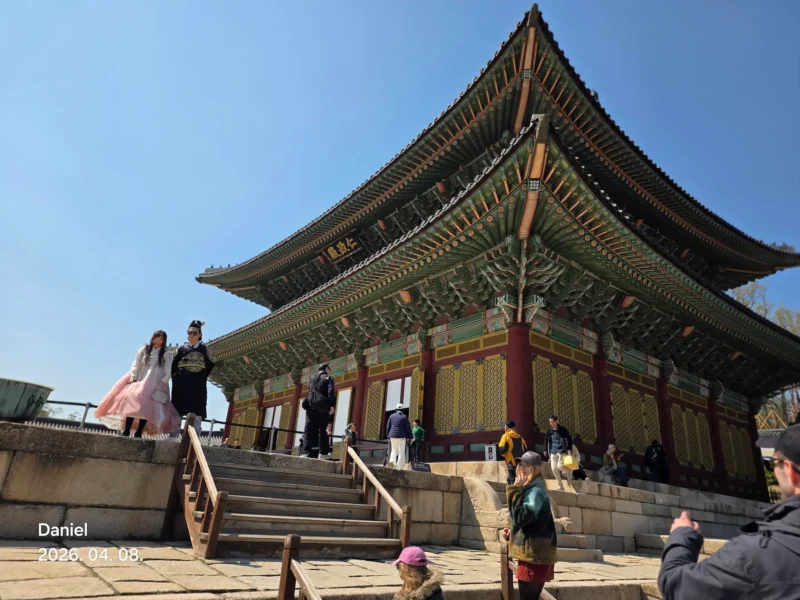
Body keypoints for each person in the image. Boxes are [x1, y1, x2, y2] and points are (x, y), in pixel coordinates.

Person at [658, 424, 800, 600]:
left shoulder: (753, 556)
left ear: (790, 470)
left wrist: (682, 536)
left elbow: (676, 585)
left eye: (771, 464)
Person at [95, 330, 181, 437]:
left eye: (161, 339)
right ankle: (126, 429)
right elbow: (136, 363)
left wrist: (165, 380)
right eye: (156, 337)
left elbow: (168, 369)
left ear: (164, 341)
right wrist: (133, 375)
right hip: (140, 378)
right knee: (132, 403)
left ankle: (139, 431)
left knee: (147, 408)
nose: (158, 340)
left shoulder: (166, 354)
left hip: (155, 381)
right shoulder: (144, 350)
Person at [501, 451, 557, 600]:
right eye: (520, 464)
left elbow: (520, 518)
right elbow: (525, 521)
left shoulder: (535, 492)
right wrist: (513, 531)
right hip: (535, 553)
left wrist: (514, 490)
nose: (522, 468)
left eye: (527, 465)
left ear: (535, 469)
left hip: (534, 556)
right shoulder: (532, 489)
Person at [171, 320, 215, 436]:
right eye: (189, 333)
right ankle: (173, 436)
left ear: (200, 334)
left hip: (197, 386)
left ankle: (193, 439)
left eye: (194, 333)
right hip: (181, 385)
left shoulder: (205, 349)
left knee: (197, 411)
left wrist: (201, 377)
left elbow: (211, 364)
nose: (191, 335)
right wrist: (176, 378)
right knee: (177, 411)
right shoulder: (180, 349)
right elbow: (173, 365)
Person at [300, 365, 335, 458]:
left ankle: (305, 452)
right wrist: (331, 405)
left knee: (308, 428)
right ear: (327, 369)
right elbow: (330, 392)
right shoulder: (328, 378)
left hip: (311, 406)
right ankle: (322, 453)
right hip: (322, 407)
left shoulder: (311, 378)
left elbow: (310, 389)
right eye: (329, 370)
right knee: (323, 430)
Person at [544, 416, 573, 491]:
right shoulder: (549, 431)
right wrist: (545, 450)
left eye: (553, 422)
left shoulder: (563, 430)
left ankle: (569, 470)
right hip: (553, 451)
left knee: (560, 467)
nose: (552, 424)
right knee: (554, 468)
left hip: (561, 451)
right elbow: (546, 440)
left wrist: (569, 448)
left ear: (557, 421)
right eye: (550, 422)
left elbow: (569, 439)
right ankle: (560, 485)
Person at [499, 420, 527, 484]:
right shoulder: (520, 437)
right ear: (514, 428)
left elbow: (502, 451)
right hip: (520, 461)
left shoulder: (505, 436)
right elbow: (525, 449)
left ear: (506, 427)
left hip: (511, 461)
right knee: (511, 478)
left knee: (512, 479)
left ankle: (513, 492)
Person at [387, 404, 413, 469]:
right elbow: (407, 427)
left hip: (392, 436)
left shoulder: (391, 416)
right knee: (401, 452)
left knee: (393, 451)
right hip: (401, 436)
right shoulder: (404, 417)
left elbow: (388, 427)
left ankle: (391, 466)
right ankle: (400, 467)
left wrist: (388, 435)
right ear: (403, 410)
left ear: (396, 409)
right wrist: (410, 436)